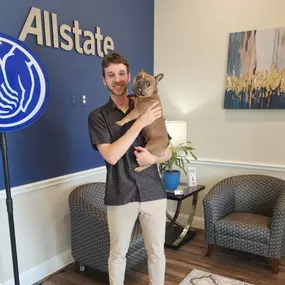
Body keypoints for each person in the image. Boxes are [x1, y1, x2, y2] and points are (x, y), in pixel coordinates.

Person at [88, 52, 172, 285]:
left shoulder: (150, 105)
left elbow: (168, 149)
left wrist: (153, 160)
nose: (117, 79)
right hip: (120, 193)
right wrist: (139, 123)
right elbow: (112, 156)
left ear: (130, 77)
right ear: (104, 80)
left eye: (121, 73)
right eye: (111, 75)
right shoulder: (98, 117)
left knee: (157, 253)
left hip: (153, 191)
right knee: (117, 253)